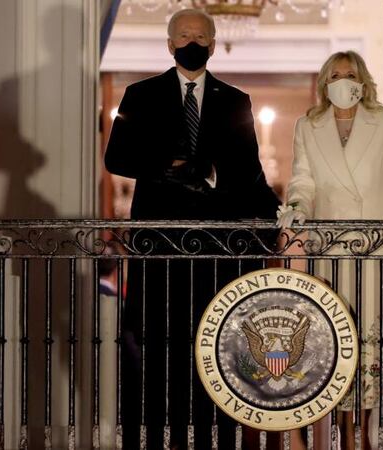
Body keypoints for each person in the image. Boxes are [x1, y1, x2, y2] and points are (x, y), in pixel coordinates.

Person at [104, 9, 279, 450]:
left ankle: (213, 436)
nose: (192, 41)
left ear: (214, 43)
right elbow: (117, 158)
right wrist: (167, 168)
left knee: (213, 341)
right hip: (159, 244)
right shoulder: (139, 95)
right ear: (169, 44)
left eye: (201, 35)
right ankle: (157, 435)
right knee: (157, 341)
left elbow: (250, 172)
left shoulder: (235, 100)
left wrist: (280, 216)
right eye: (184, 35)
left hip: (216, 248)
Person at [276, 50, 383, 449]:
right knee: (337, 340)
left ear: (363, 80)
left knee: (373, 340)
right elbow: (304, 182)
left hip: (380, 249)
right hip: (333, 253)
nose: (343, 81)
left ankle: (362, 433)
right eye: (335, 74)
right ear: (324, 82)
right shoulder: (308, 126)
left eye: (349, 74)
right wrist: (296, 208)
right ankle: (343, 430)